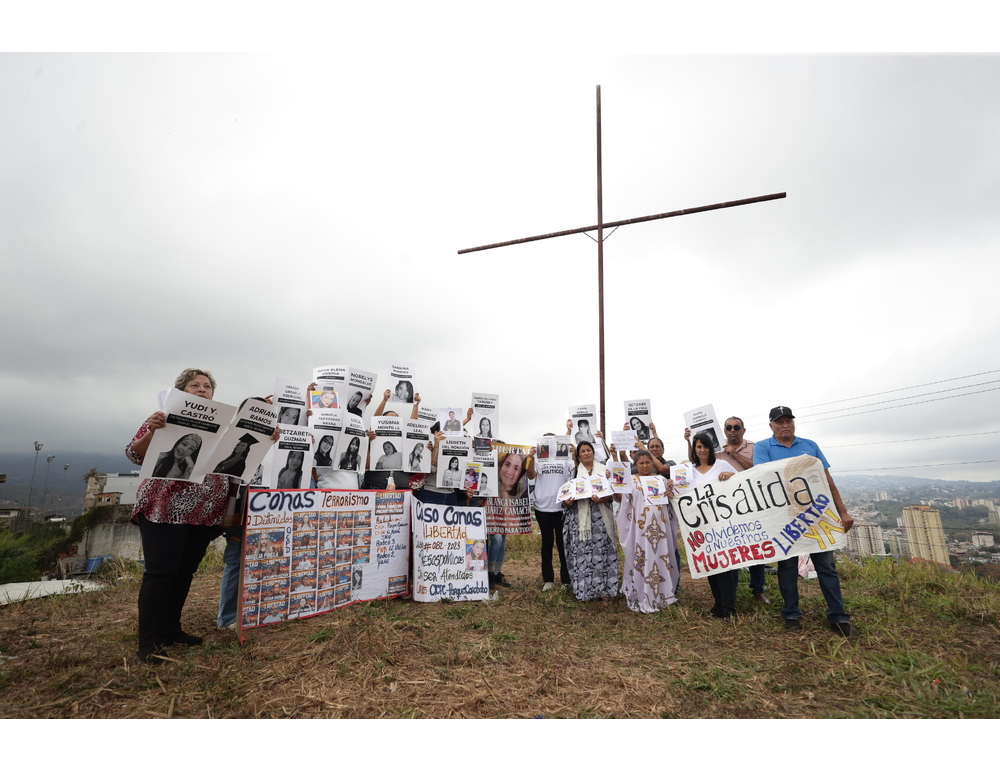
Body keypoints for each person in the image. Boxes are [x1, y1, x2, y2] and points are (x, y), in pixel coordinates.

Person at [126, 368, 228, 664]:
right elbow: (134, 454)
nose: (201, 389)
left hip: (204, 512)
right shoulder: (161, 418)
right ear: (180, 391)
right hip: (163, 509)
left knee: (184, 572)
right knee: (160, 574)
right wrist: (152, 431)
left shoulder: (223, 426)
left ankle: (171, 630)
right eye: (194, 385)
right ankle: (148, 644)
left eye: (206, 386)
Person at [753, 406, 857, 637]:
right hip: (785, 519)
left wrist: (843, 511)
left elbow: (827, 481)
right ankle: (791, 613)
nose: (785, 425)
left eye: (789, 420)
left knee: (827, 567)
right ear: (771, 426)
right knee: (787, 567)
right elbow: (762, 477)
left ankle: (839, 617)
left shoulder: (810, 446)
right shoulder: (762, 448)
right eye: (779, 422)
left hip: (817, 516)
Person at [679, 432, 740, 619]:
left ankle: (729, 607)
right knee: (711, 565)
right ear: (694, 450)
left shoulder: (722, 465)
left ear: (710, 448)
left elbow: (741, 482)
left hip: (723, 524)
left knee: (726, 565)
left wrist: (731, 475)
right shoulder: (688, 470)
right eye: (698, 447)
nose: (702, 450)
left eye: (705, 446)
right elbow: (680, 492)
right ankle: (718, 604)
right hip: (701, 526)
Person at [715, 415, 769, 605]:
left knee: (756, 547)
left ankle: (758, 590)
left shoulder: (755, 448)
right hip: (728, 507)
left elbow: (759, 471)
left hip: (752, 503)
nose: (732, 430)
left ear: (743, 430)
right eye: (729, 427)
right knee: (732, 546)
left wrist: (734, 455)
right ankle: (732, 592)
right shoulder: (717, 451)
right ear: (724, 431)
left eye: (736, 427)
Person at [615, 449, 679, 612]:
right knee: (642, 560)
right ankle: (641, 594)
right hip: (640, 533)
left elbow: (670, 504)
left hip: (660, 533)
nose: (645, 466)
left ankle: (663, 595)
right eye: (641, 463)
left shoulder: (661, 480)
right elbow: (625, 508)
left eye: (648, 462)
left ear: (653, 463)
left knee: (660, 559)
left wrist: (672, 493)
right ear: (636, 465)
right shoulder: (630, 481)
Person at [561, 441, 617, 601]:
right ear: (578, 455)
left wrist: (602, 499)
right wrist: (567, 502)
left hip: (601, 520)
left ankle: (604, 591)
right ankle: (584, 592)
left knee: (602, 553)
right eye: (583, 451)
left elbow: (613, 494)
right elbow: (565, 496)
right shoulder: (573, 473)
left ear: (593, 452)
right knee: (583, 555)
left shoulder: (605, 471)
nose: (586, 453)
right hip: (580, 522)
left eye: (588, 450)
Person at [528, 432, 574, 591]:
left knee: (563, 545)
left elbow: (574, 470)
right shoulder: (539, 458)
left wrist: (574, 454)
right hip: (542, 507)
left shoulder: (566, 457)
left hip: (562, 506)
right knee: (547, 543)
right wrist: (530, 458)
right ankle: (548, 580)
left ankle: (566, 580)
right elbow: (531, 474)